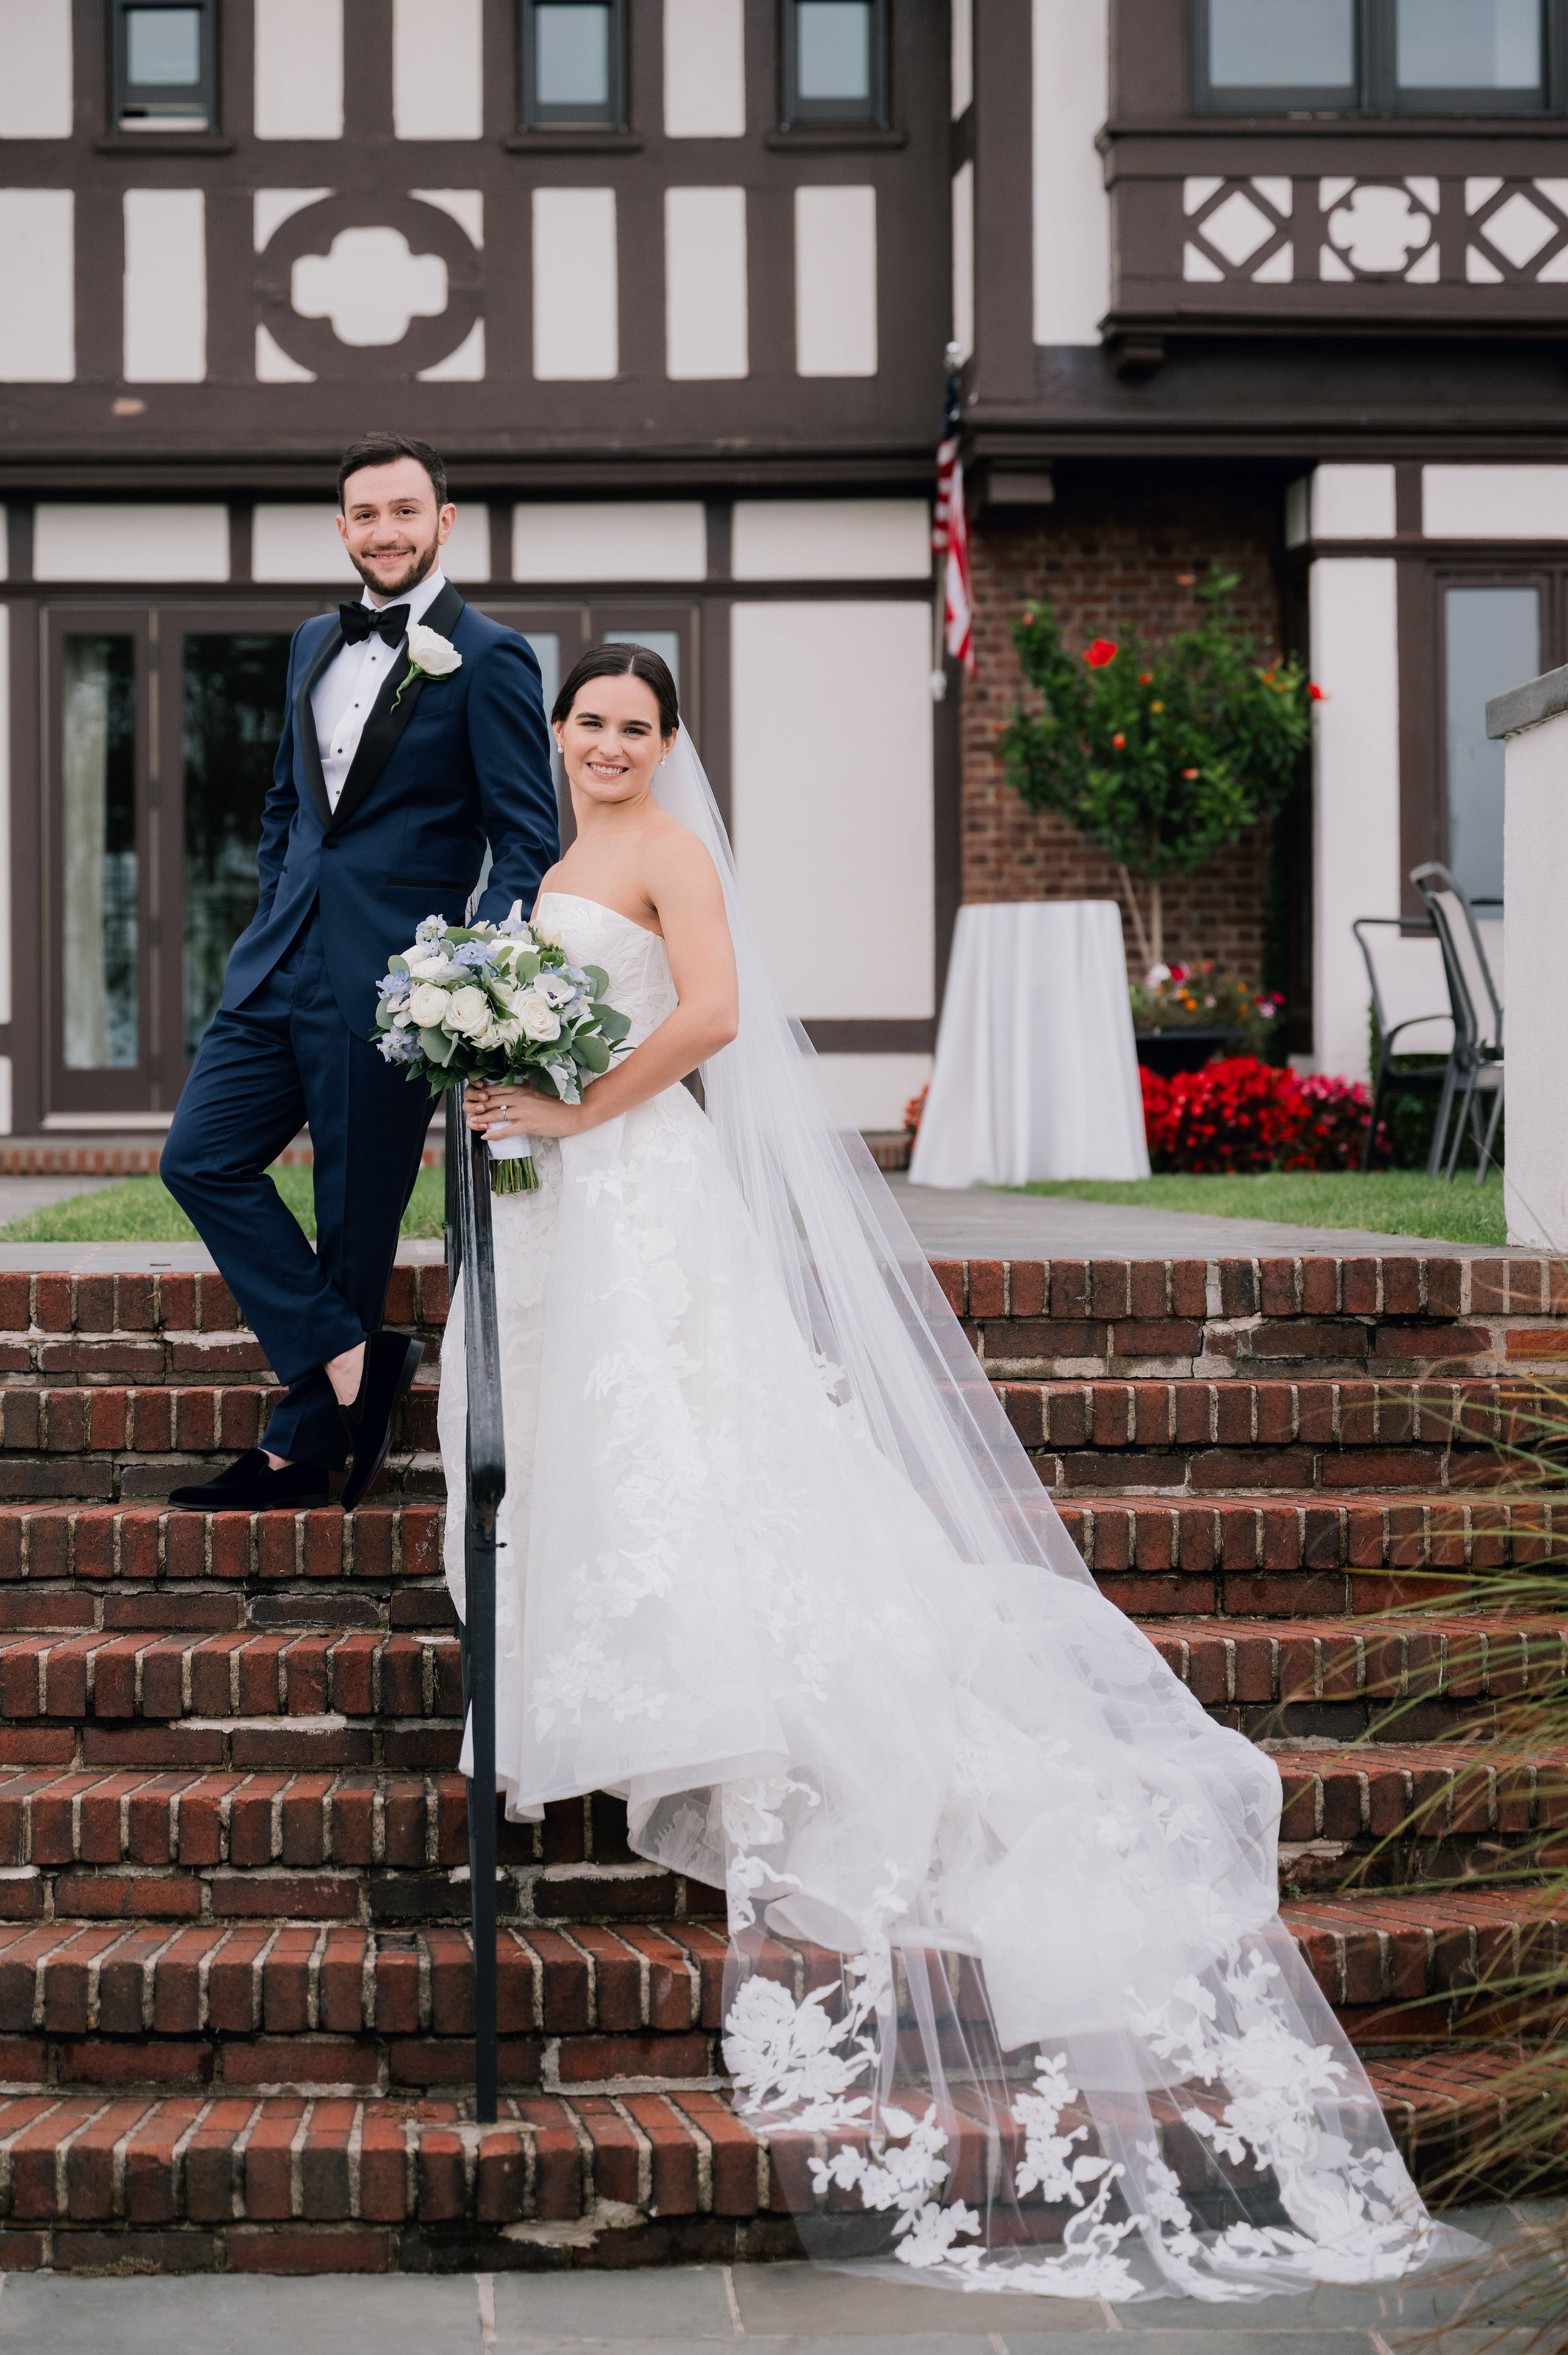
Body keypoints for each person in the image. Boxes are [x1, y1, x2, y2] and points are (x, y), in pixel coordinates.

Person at [438, 644, 1467, 2304]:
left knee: (691, 1445)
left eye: (636, 726)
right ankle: (598, 1678)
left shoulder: (664, 853)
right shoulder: (553, 856)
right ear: (558, 734)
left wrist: (566, 1113)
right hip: (578, 1195)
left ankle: (708, 1692)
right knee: (617, 1448)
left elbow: (704, 1014)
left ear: (667, 744)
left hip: (639, 1179)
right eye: (591, 722)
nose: (610, 745)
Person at [162, 435, 560, 1513]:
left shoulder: (491, 656)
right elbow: (289, 805)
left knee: (354, 1220)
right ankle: (354, 1362)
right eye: (364, 514)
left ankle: (299, 1455)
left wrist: (471, 976)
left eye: (403, 510)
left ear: (446, 520)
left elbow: (526, 835)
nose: (384, 530)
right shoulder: (308, 642)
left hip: (394, 985)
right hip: (276, 961)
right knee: (198, 1158)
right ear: (341, 529)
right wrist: (273, 901)